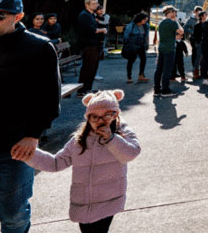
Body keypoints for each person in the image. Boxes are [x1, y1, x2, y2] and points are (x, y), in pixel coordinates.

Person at [0, 0, 61, 233]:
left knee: (13, 213)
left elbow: (49, 99)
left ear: (18, 16)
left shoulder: (39, 48)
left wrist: (33, 135)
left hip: (16, 148)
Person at [16, 90, 140, 233]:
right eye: (94, 117)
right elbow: (56, 163)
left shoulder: (122, 132)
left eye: (106, 115)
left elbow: (131, 153)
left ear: (115, 114)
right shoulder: (79, 140)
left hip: (108, 201)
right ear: (88, 117)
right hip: (82, 203)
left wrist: (111, 139)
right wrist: (29, 154)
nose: (100, 121)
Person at [76, 0, 107, 96]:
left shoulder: (92, 15)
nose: (96, 5)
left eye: (96, 3)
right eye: (93, 3)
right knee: (87, 68)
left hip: (94, 45)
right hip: (88, 46)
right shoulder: (84, 15)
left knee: (92, 68)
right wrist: (103, 30)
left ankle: (88, 88)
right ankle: (81, 90)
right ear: (87, 4)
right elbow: (92, 30)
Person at [153, 6, 183, 98]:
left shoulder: (161, 23)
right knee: (167, 70)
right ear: (171, 12)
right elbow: (181, 32)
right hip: (169, 49)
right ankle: (165, 90)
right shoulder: (172, 22)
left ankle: (157, 90)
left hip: (161, 48)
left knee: (159, 70)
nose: (175, 14)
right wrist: (176, 21)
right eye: (174, 12)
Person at [123, 12, 150, 84]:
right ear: (140, 19)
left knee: (143, 59)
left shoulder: (146, 26)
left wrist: (147, 44)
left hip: (141, 45)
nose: (146, 21)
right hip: (133, 46)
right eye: (144, 19)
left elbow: (146, 35)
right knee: (131, 60)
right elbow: (126, 36)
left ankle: (141, 75)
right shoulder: (131, 26)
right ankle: (129, 77)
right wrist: (128, 45)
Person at [183, 6, 202, 78]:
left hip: (201, 39)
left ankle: (200, 69)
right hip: (193, 38)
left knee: (201, 54)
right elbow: (185, 27)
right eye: (198, 12)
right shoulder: (191, 19)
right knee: (195, 53)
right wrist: (192, 31)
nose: (199, 13)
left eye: (200, 12)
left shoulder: (202, 19)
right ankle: (195, 69)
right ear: (195, 12)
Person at [191, 11, 205, 81]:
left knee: (203, 59)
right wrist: (198, 42)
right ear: (202, 16)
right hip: (199, 43)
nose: (207, 15)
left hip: (204, 43)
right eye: (205, 15)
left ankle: (202, 73)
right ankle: (195, 73)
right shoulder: (197, 25)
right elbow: (196, 35)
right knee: (198, 58)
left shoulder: (206, 24)